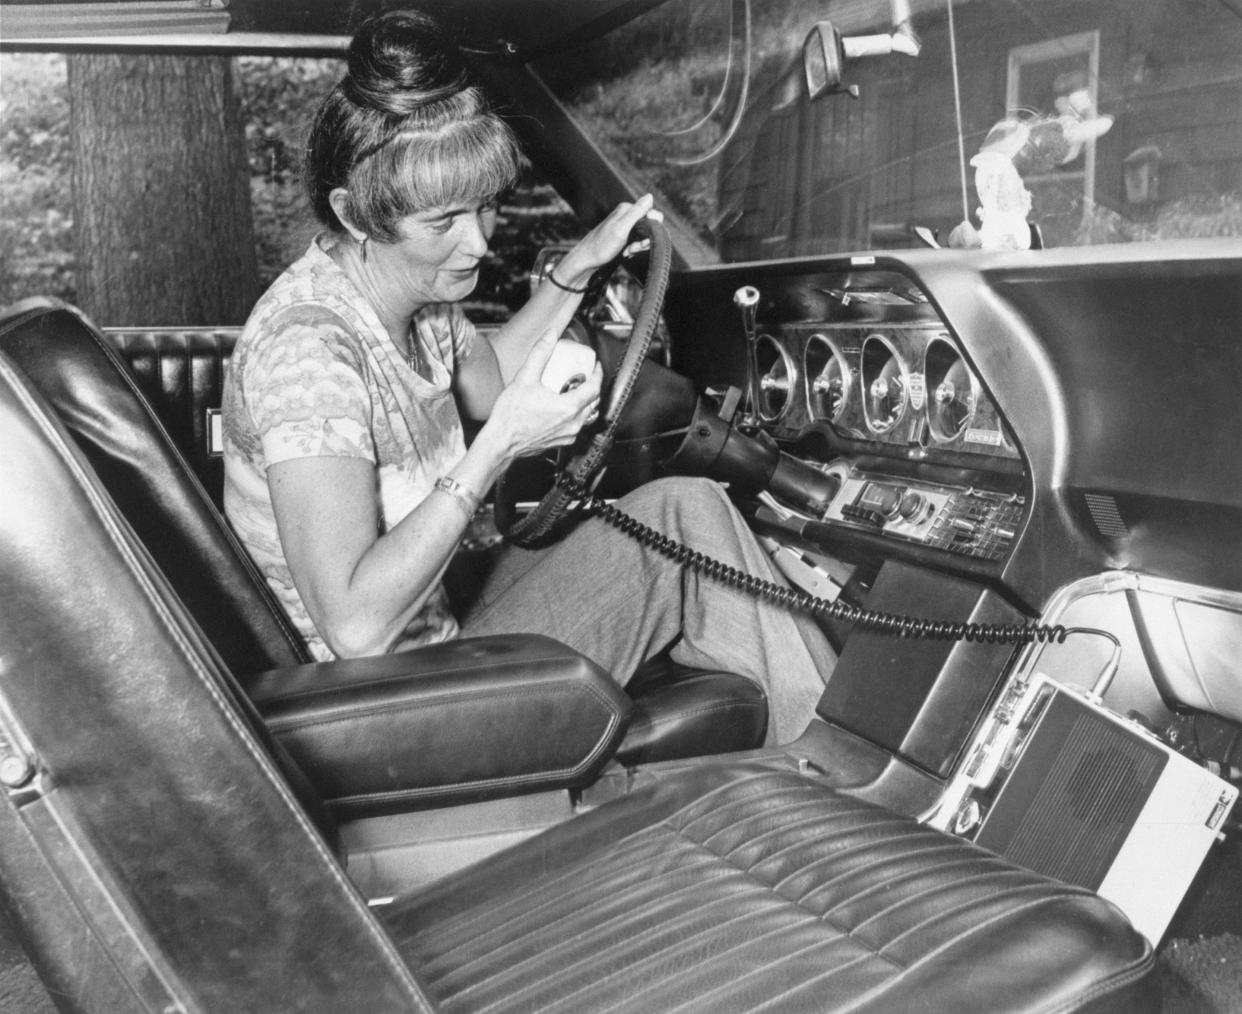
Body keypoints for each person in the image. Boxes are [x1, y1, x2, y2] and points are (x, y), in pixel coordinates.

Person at [222, 9, 836, 743]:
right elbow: (355, 625)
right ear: (355, 214)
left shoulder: (413, 300)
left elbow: (489, 380)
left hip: (435, 620)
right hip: (383, 702)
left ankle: (818, 756)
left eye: (486, 207)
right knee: (694, 527)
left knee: (686, 509)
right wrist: (499, 447)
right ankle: (837, 775)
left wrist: (575, 271)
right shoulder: (309, 354)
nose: (477, 242)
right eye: (443, 220)